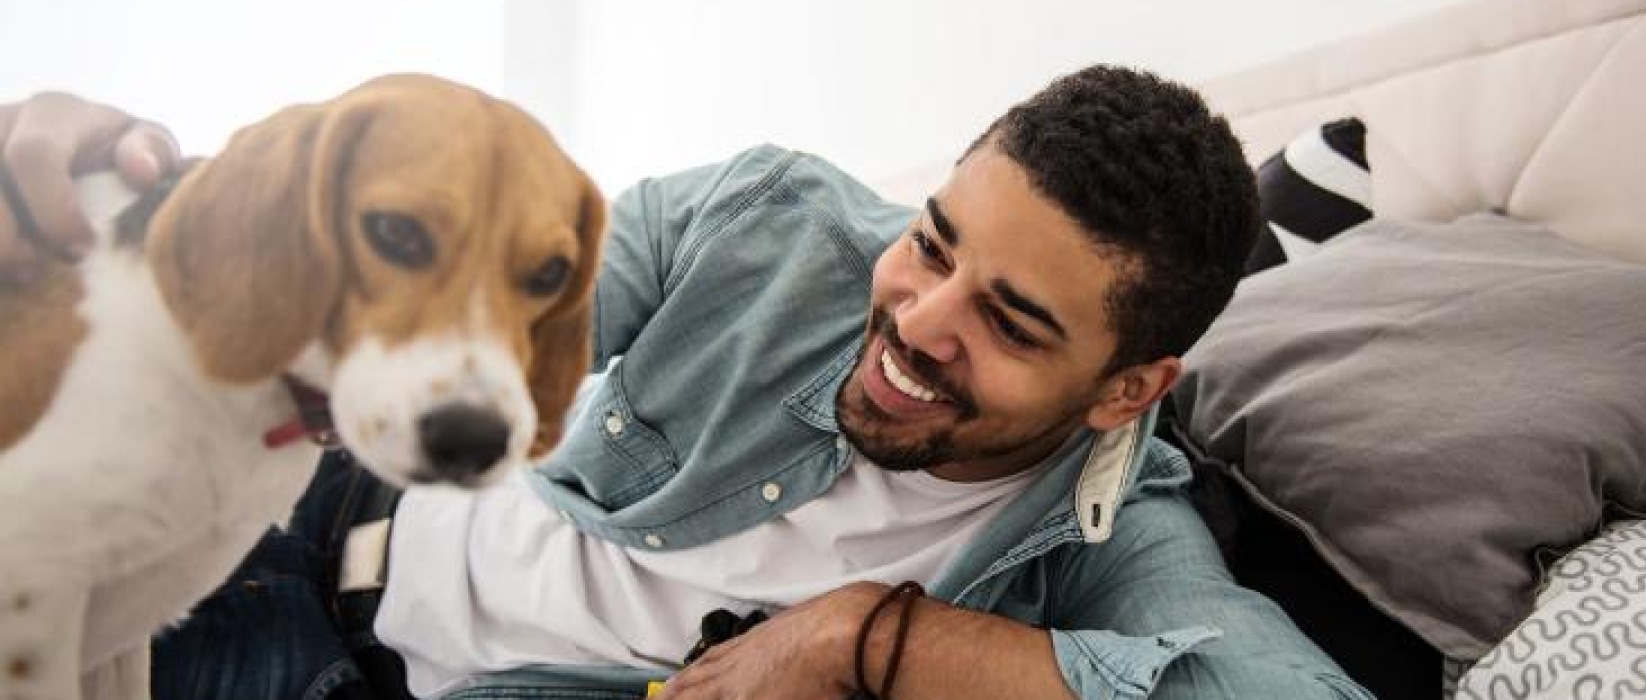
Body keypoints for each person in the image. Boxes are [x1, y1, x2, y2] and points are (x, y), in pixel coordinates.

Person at [0, 66, 1372, 700]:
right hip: (314, 491)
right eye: (932, 243)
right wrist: (130, 183)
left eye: (1007, 324)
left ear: (1127, 389)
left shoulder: (1108, 531)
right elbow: (465, 291)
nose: (913, 319)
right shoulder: (768, 221)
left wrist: (864, 636)